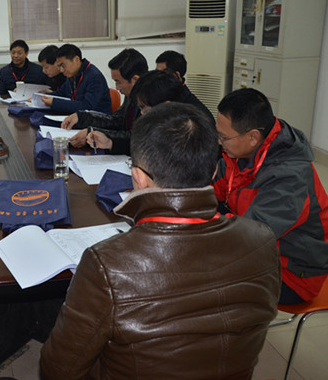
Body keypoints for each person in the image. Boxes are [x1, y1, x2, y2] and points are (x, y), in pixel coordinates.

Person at [40, 102, 281, 379]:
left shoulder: (106, 265)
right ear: (214, 171)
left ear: (138, 178)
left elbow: (57, 371)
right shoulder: (262, 239)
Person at [213, 88, 328, 304]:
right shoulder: (242, 152)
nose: (219, 142)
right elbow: (216, 188)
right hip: (261, 251)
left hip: (294, 273)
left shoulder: (290, 178)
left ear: (253, 137)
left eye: (224, 137)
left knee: (202, 281)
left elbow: (252, 236)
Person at [83, 70, 214, 152]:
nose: (141, 113)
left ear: (164, 107)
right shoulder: (172, 111)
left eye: (143, 108)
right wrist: (110, 143)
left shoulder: (191, 128)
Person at [61, 48, 147, 154]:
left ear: (135, 80)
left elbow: (137, 138)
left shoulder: (151, 101)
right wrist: (81, 117)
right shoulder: (132, 93)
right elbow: (117, 121)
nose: (117, 87)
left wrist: (95, 133)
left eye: (118, 82)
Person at [39, 44, 111, 115]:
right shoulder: (72, 74)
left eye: (63, 65)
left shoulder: (94, 77)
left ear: (76, 60)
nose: (61, 70)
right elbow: (62, 93)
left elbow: (87, 106)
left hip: (98, 119)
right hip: (76, 117)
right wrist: (43, 97)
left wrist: (54, 102)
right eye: (59, 67)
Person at [155, 50, 214, 122]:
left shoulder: (192, 110)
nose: (157, 77)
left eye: (162, 74)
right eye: (156, 72)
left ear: (176, 75)